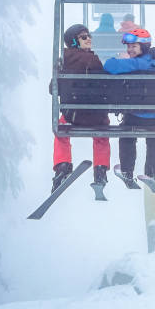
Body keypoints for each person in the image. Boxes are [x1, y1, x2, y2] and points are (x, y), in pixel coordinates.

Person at [103, 29, 155, 188]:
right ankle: (153, 173)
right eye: (128, 47)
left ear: (144, 47)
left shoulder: (136, 63)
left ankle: (126, 170)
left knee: (127, 134)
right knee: (154, 137)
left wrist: (119, 58)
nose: (129, 50)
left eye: (134, 46)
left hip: (138, 116)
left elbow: (109, 66)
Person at [52, 24, 110, 192]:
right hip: (96, 117)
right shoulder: (93, 60)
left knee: (60, 131)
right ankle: (100, 170)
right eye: (84, 37)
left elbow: (52, 88)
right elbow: (105, 85)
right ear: (74, 42)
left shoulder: (61, 62)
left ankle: (62, 166)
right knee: (102, 133)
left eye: (89, 35)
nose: (89, 38)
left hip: (73, 116)